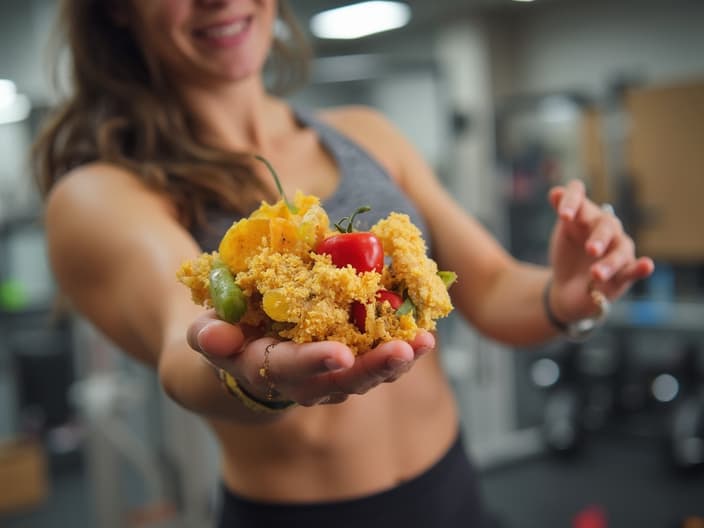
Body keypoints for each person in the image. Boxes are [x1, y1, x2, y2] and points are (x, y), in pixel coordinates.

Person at [33, 1, 654, 526]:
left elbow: (488, 285)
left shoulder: (367, 133)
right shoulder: (101, 195)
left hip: (454, 491)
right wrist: (254, 375)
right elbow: (182, 341)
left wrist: (565, 296)